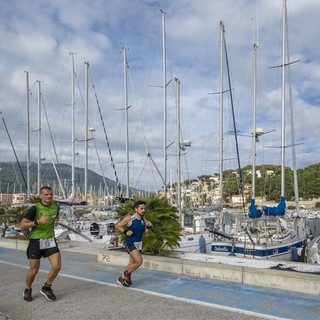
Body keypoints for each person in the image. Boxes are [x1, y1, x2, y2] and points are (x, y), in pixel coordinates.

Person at [20, 186, 61, 302]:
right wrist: (38, 222)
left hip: (50, 240)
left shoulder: (56, 207)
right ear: (41, 196)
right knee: (34, 270)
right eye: (46, 194)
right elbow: (22, 225)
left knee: (57, 266)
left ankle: (46, 287)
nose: (49, 197)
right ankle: (28, 289)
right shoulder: (35, 208)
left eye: (50, 194)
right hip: (36, 241)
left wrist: (56, 221)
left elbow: (56, 218)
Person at [115, 200, 152, 287]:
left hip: (139, 243)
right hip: (130, 243)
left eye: (144, 209)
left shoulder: (143, 219)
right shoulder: (130, 218)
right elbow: (118, 225)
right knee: (139, 261)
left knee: (132, 264)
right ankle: (124, 275)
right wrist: (125, 231)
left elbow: (145, 232)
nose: (143, 210)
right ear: (136, 209)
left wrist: (149, 227)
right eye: (141, 208)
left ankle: (123, 279)